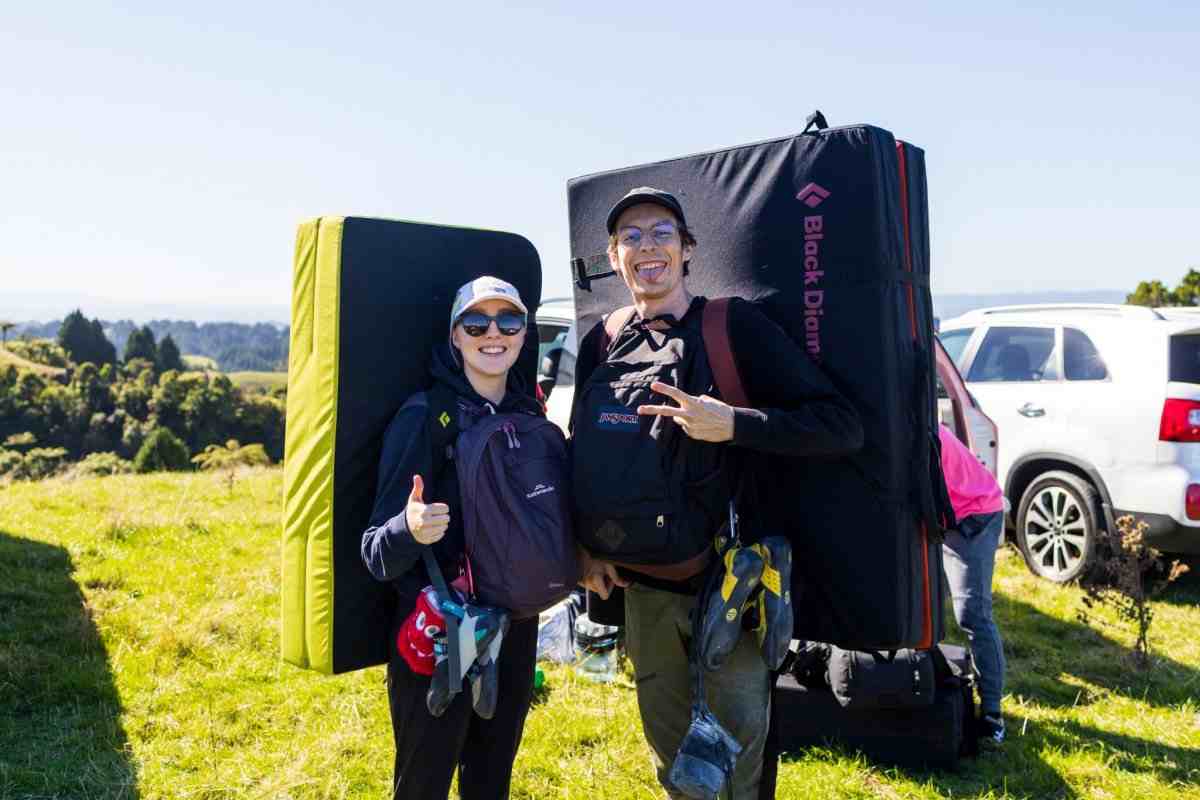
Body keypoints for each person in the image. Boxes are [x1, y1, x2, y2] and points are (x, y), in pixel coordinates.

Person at [570, 187, 864, 798]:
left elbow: (842, 426)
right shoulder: (603, 340)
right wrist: (587, 550)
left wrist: (732, 423)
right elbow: (584, 452)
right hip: (642, 588)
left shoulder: (731, 328)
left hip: (733, 588)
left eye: (660, 233)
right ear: (613, 256)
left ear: (687, 250)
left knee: (738, 761)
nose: (645, 246)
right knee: (673, 758)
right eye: (630, 236)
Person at [360, 276, 545, 800]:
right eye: (476, 322)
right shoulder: (421, 417)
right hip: (442, 632)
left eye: (509, 321)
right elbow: (374, 551)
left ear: (524, 334)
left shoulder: (529, 414)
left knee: (491, 783)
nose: (494, 333)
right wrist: (409, 529)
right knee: (423, 783)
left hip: (514, 627)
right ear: (455, 336)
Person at [937, 423, 1007, 744]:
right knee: (924, 600)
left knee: (972, 614)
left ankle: (992, 714)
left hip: (975, 516)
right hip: (944, 516)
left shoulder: (921, 435)